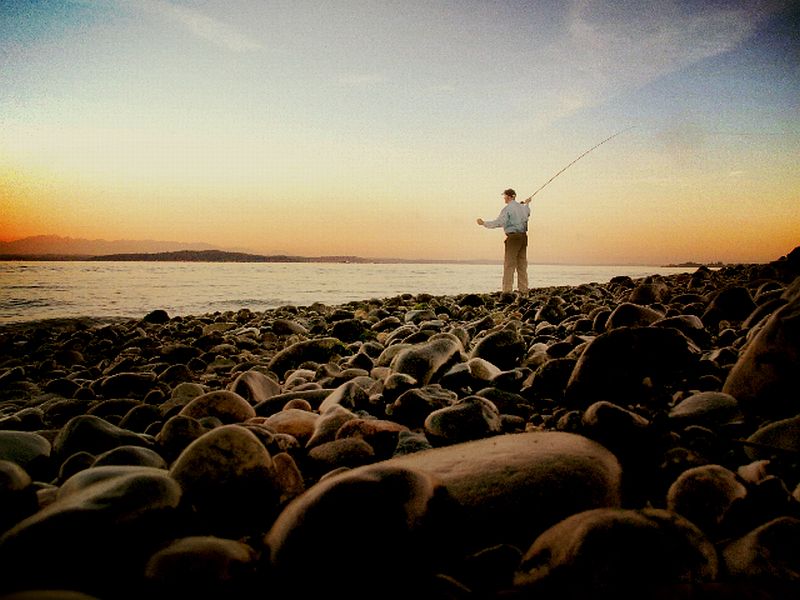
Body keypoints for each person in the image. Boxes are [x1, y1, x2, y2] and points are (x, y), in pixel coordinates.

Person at [477, 188, 531, 293]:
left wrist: (484, 223)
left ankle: (507, 291)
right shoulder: (523, 208)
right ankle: (524, 290)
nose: (504, 198)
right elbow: (527, 213)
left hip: (513, 238)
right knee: (522, 265)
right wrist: (527, 204)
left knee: (509, 265)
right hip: (523, 238)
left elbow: (499, 222)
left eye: (505, 196)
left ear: (510, 197)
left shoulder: (507, 209)